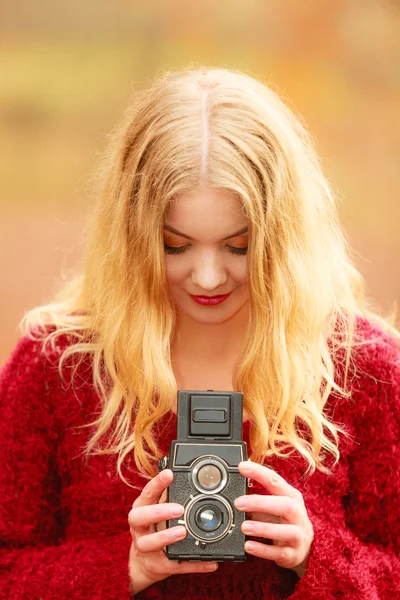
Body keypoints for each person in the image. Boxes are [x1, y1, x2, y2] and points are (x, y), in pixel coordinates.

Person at [1, 66, 399, 600]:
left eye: (239, 247)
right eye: (174, 245)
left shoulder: (364, 368)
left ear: (285, 236)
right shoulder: (57, 366)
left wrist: (316, 557)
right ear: (132, 234)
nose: (208, 277)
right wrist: (118, 568)